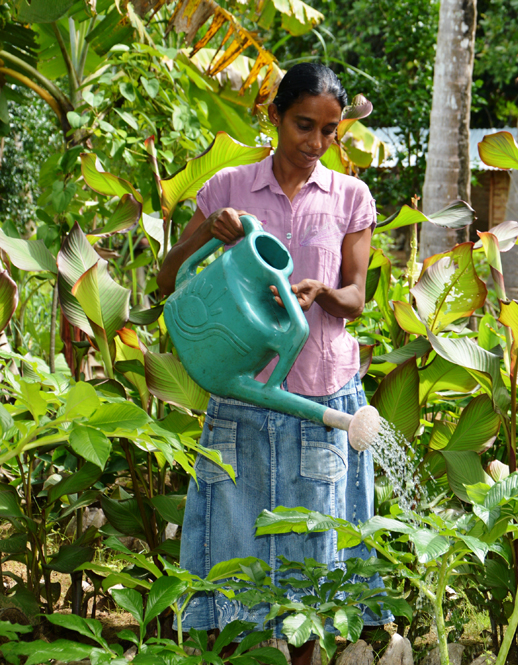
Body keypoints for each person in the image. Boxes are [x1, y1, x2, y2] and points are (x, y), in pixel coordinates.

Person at [157, 63, 387, 664]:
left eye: (329, 130)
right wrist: (207, 233)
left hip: (320, 398)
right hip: (242, 398)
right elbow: (166, 278)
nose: (316, 143)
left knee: (312, 575)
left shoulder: (350, 197)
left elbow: (356, 297)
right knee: (233, 564)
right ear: (275, 116)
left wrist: (323, 293)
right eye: (303, 125)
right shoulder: (229, 187)